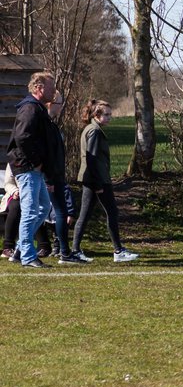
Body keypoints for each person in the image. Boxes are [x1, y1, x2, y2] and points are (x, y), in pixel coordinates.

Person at [67, 100, 138, 263]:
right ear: (96, 115)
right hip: (97, 179)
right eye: (106, 115)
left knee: (85, 215)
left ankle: (75, 250)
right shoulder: (94, 132)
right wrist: (98, 184)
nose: (109, 118)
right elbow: (91, 159)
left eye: (110, 114)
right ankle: (118, 251)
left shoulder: (90, 129)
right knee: (112, 212)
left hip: (92, 179)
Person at [5, 71, 57, 268]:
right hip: (27, 168)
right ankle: (27, 256)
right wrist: (35, 161)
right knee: (30, 211)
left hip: (32, 168)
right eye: (51, 88)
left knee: (43, 207)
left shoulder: (38, 109)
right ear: (39, 88)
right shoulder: (30, 109)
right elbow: (22, 137)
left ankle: (20, 249)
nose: (54, 92)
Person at [40, 89, 79, 262]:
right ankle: (64, 252)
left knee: (56, 212)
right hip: (50, 177)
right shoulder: (45, 125)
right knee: (53, 213)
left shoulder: (51, 124)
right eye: (59, 103)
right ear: (50, 104)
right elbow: (46, 153)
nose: (61, 107)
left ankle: (64, 251)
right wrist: (48, 178)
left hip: (55, 176)